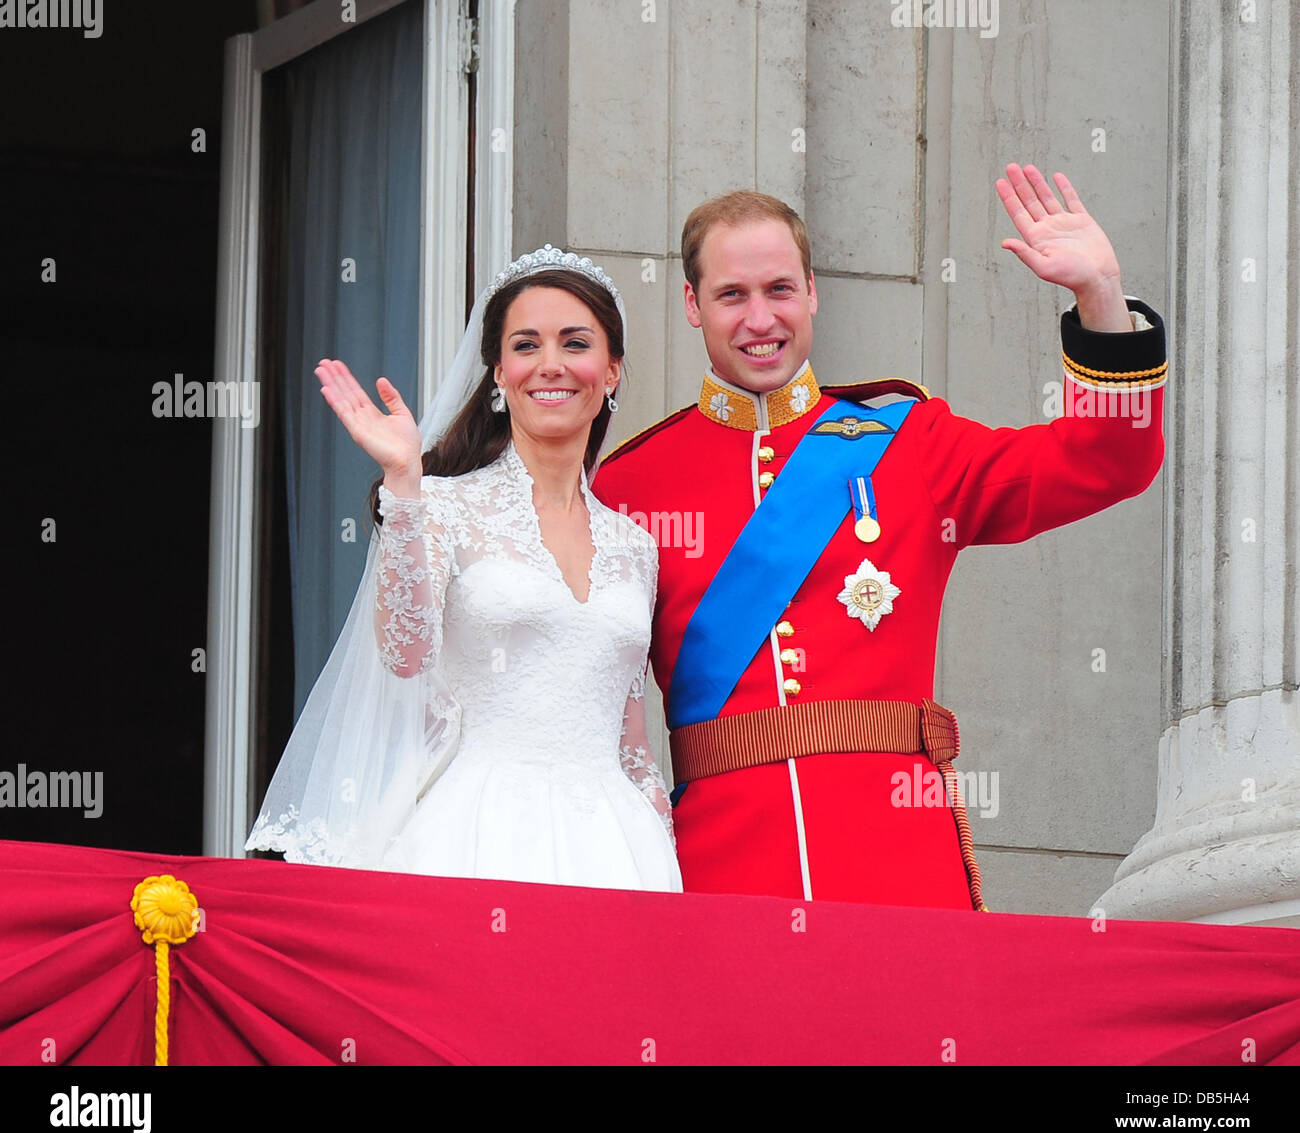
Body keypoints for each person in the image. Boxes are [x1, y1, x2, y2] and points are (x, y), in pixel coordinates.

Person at [591, 164, 1168, 910]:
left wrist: (1098, 294)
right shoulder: (631, 485)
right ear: (693, 305)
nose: (760, 318)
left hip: (897, 860)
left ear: (813, 294)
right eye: (732, 295)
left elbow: (1106, 463)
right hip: (716, 872)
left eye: (779, 290)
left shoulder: (909, 443)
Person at [246, 246, 681, 893]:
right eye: (526, 345)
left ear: (612, 371)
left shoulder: (637, 547)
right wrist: (404, 484)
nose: (551, 365)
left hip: (617, 849)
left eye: (575, 343)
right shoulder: (441, 505)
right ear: (500, 375)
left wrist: (660, 843)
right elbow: (403, 651)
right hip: (478, 831)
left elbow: (630, 743)